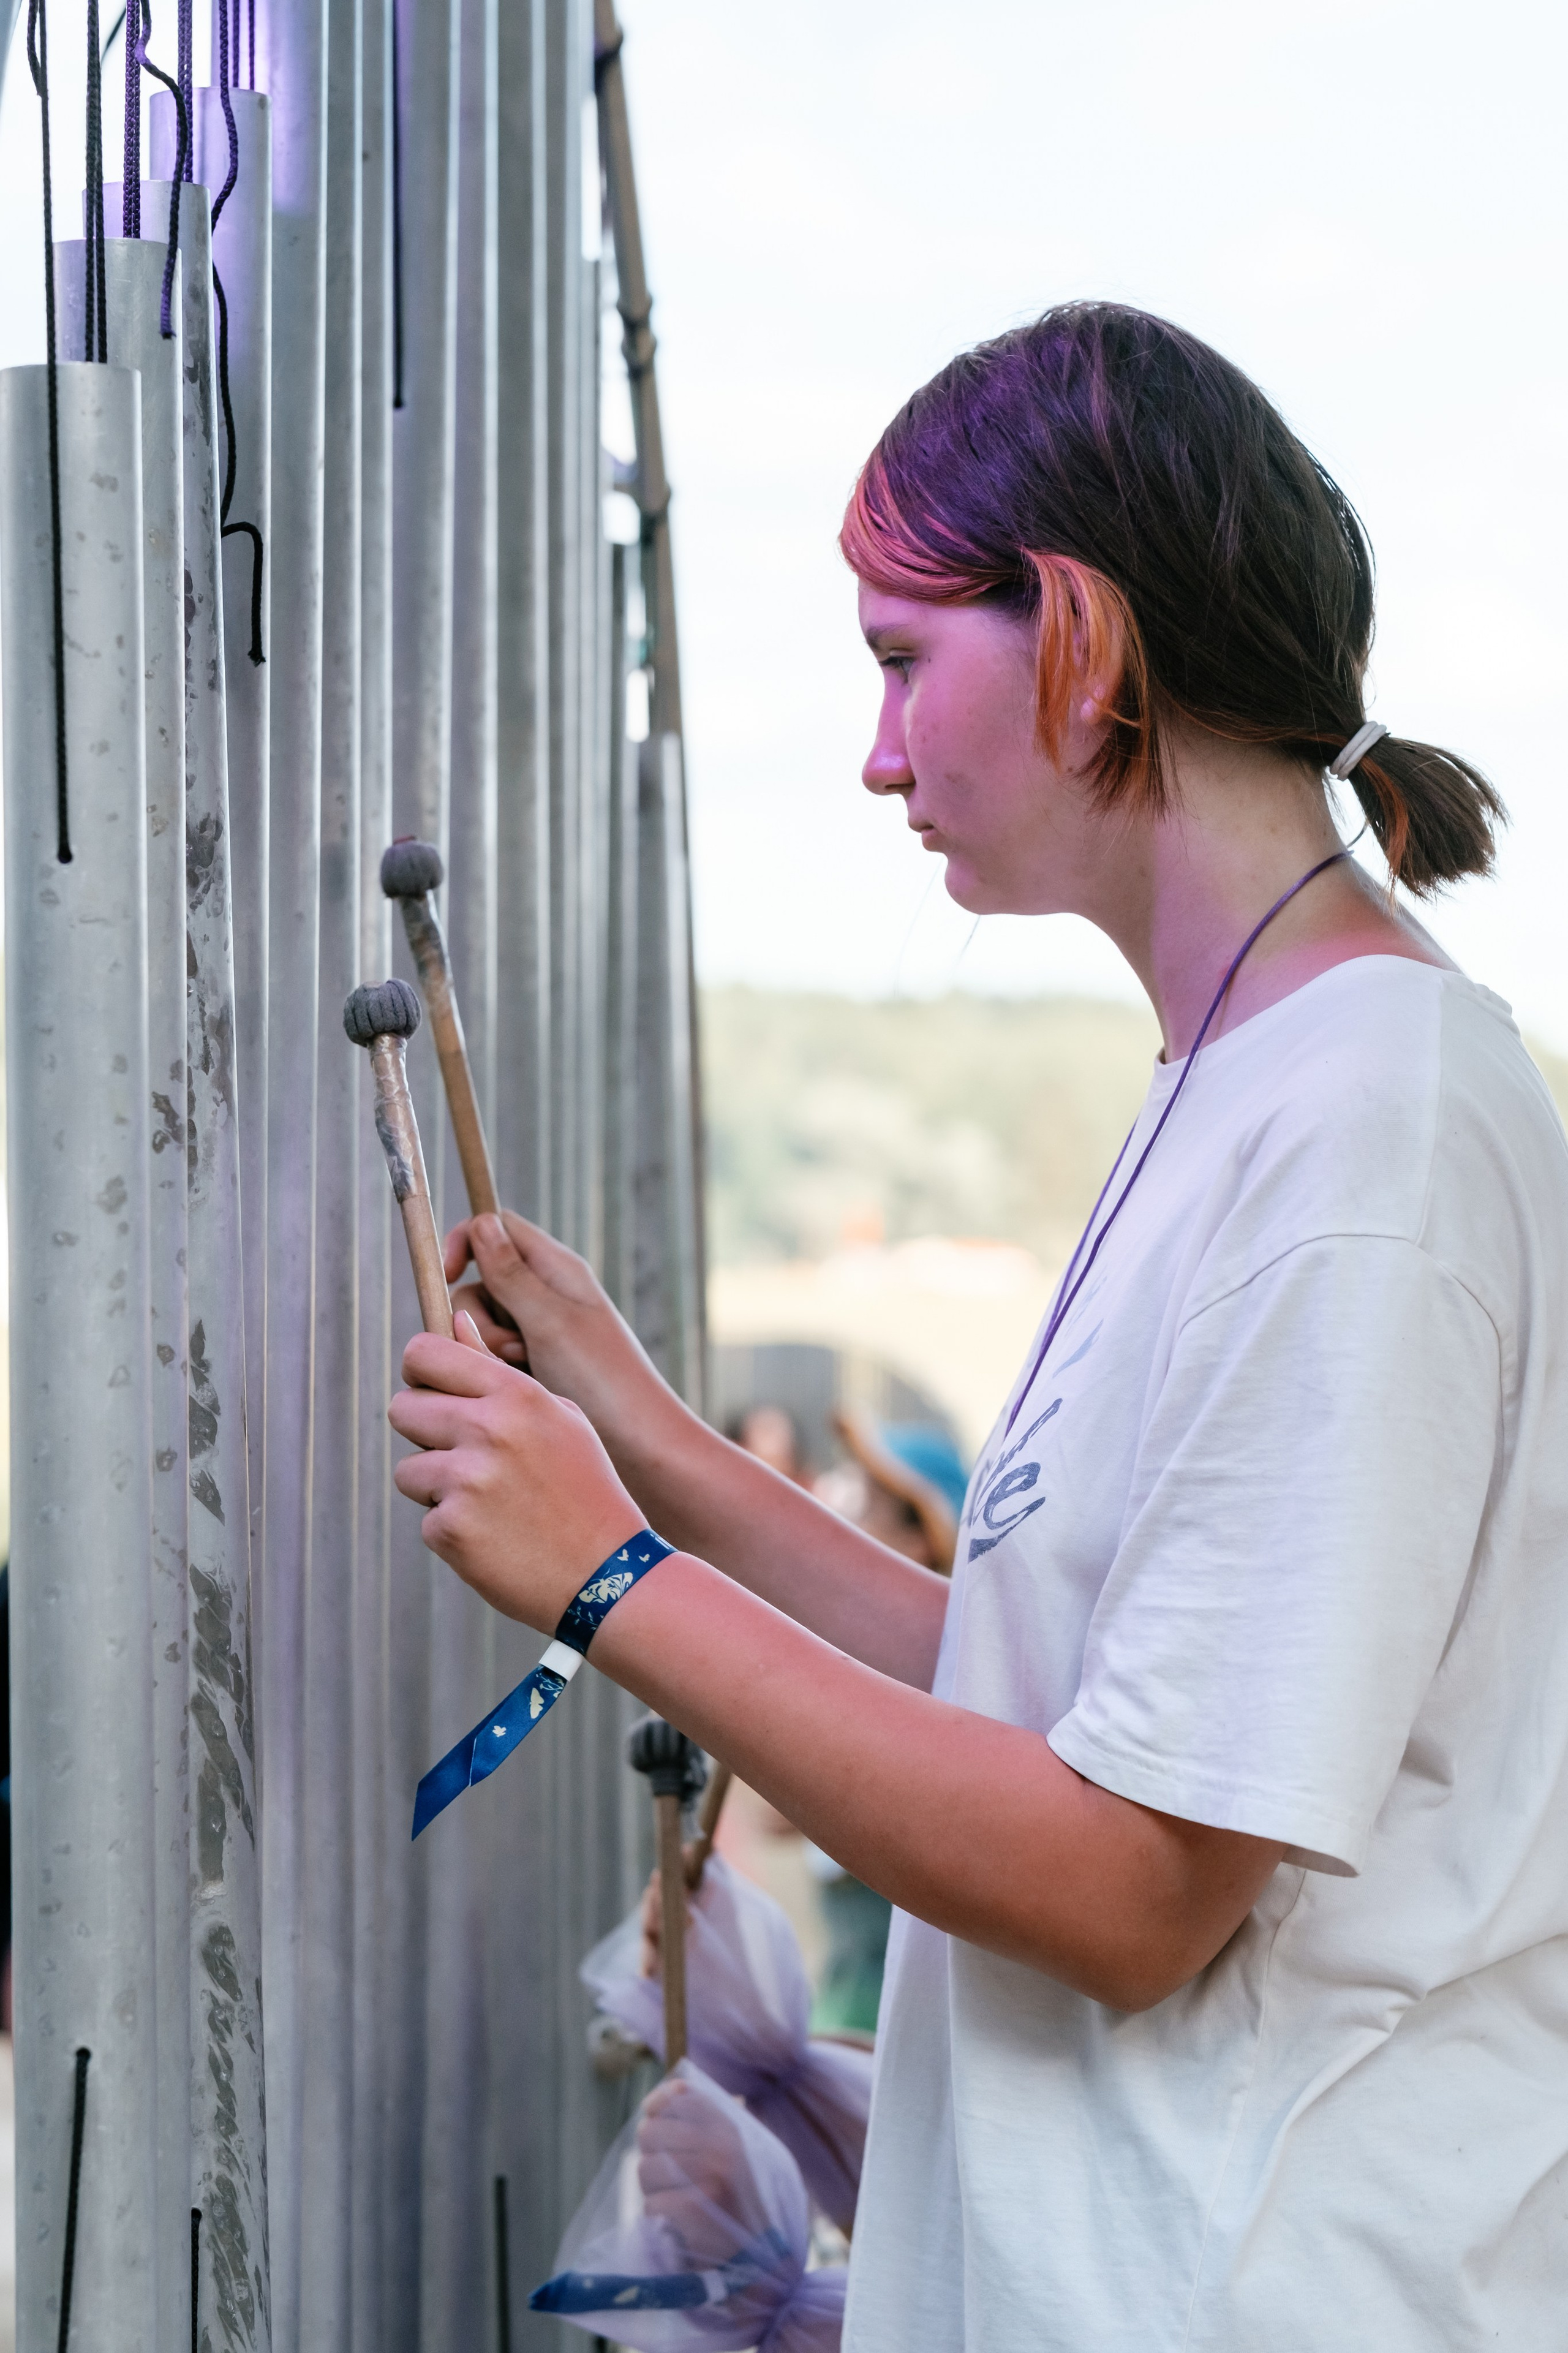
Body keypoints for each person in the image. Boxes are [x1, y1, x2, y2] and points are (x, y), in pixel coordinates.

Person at [388, 303, 1568, 2349]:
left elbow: (1130, 1888)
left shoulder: (1370, 1132)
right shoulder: (1249, 1077)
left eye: (901, 659)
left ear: (1085, 636)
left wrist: (611, 1578)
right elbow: (1057, 1708)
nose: (873, 748)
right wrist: (654, 1442)